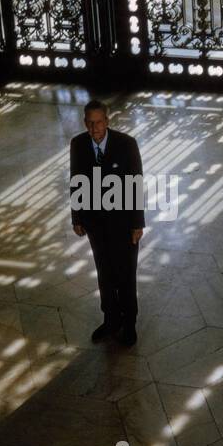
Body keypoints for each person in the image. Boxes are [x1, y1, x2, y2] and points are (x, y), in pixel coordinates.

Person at [70, 99, 144, 346]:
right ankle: (111, 319)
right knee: (104, 273)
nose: (95, 128)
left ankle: (129, 323)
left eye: (99, 122)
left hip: (123, 225)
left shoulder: (126, 144)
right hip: (96, 225)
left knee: (125, 274)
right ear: (85, 123)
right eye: (90, 123)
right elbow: (76, 179)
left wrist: (137, 224)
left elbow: (136, 185)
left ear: (107, 121)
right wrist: (77, 217)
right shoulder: (78, 144)